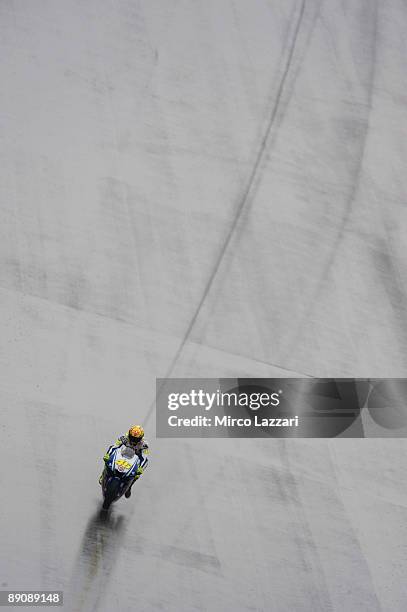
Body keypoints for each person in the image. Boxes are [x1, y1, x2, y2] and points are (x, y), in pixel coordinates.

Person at [99, 425, 149, 498]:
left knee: (137, 474)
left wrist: (140, 468)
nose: (133, 440)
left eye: (135, 439)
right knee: (107, 459)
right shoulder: (124, 438)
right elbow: (114, 446)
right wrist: (108, 454)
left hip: (135, 458)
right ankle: (103, 474)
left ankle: (129, 486)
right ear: (129, 434)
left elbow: (144, 458)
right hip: (123, 454)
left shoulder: (144, 445)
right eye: (132, 437)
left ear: (140, 438)